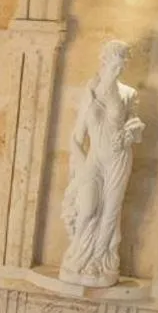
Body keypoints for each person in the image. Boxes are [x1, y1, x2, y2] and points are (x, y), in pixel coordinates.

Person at [59, 39, 145, 286]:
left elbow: (136, 126)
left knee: (110, 211)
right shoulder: (91, 92)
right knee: (87, 210)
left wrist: (131, 132)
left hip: (118, 158)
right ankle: (78, 255)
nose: (119, 69)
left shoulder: (128, 94)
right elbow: (76, 138)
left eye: (123, 65)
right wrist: (81, 170)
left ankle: (99, 261)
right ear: (105, 60)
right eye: (116, 64)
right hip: (94, 159)